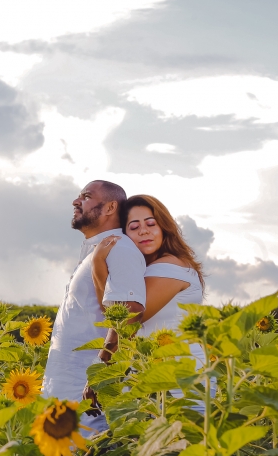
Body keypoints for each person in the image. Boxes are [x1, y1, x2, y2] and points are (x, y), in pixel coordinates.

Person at [42, 181, 147, 435]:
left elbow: (129, 313)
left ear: (111, 207)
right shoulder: (97, 250)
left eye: (86, 197)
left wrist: (101, 374)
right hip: (64, 395)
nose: (76, 202)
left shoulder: (119, 248)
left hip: (87, 400)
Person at [91, 194, 208, 410]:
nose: (143, 231)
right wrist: (98, 264)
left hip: (178, 378)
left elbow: (127, 320)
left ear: (164, 227)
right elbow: (111, 314)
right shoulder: (146, 272)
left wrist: (100, 370)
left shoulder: (170, 266)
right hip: (154, 375)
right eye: (134, 227)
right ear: (125, 235)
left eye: (151, 224)